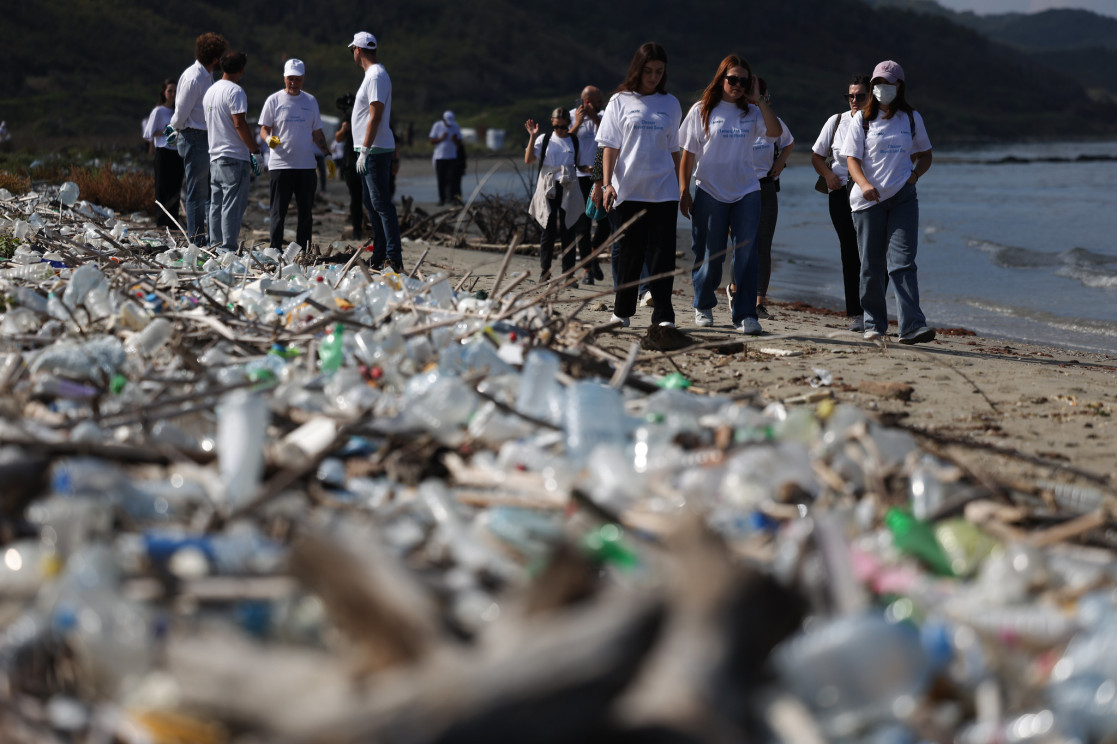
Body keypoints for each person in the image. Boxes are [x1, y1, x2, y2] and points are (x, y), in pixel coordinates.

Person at [679, 55, 782, 336]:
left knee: (746, 253)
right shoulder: (702, 110)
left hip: (747, 191)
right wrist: (683, 191)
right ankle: (703, 303)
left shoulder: (752, 112)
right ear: (721, 79)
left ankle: (746, 313)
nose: (737, 85)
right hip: (710, 190)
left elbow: (775, 132)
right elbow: (688, 154)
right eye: (732, 79)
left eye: (743, 81)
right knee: (710, 253)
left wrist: (759, 99)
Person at [841, 60, 935, 344]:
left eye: (889, 84)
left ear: (899, 87)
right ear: (873, 87)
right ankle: (874, 324)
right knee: (871, 265)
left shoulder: (910, 118)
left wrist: (915, 176)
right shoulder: (862, 120)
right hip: (869, 201)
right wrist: (865, 185)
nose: (883, 89)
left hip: (903, 198)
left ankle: (912, 327)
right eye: (878, 84)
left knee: (903, 262)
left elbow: (926, 154)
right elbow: (851, 160)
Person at [599, 42, 682, 328]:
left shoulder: (671, 103)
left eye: (659, 72)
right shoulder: (620, 101)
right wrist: (607, 184)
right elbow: (609, 146)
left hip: (664, 191)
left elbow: (675, 151)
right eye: (648, 71)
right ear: (638, 69)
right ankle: (621, 313)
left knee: (662, 257)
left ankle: (663, 315)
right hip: (628, 190)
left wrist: (683, 188)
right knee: (630, 255)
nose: (653, 77)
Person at [812, 74, 872, 333]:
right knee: (850, 250)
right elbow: (816, 156)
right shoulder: (836, 121)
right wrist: (828, 176)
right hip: (840, 193)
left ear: (872, 96)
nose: (855, 100)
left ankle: (874, 309)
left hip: (872, 193)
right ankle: (856, 313)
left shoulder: (880, 122)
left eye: (860, 95)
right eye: (851, 96)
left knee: (874, 252)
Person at [259, 58, 330, 251]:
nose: (293, 83)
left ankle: (302, 250)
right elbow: (264, 129)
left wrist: (327, 154)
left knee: (305, 213)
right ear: (284, 77)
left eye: (297, 79)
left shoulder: (310, 101)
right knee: (278, 212)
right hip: (280, 165)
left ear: (303, 79)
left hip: (306, 166)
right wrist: (268, 140)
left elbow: (317, 132)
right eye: (290, 78)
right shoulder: (274, 100)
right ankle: (275, 249)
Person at [349, 31, 404, 273]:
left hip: (375, 149)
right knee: (371, 202)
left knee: (381, 203)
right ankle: (380, 254)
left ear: (357, 50)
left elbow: (376, 115)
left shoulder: (376, 76)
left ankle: (393, 257)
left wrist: (365, 150)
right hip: (369, 149)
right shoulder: (372, 75)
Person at [169, 32, 228, 246]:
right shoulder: (194, 77)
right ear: (214, 59)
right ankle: (196, 240)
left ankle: (207, 237)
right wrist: (175, 127)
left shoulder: (206, 75)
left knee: (206, 191)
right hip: (194, 135)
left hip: (203, 136)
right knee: (197, 192)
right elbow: (181, 110)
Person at [202, 50, 261, 253]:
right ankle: (227, 247)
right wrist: (254, 150)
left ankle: (214, 244)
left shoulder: (210, 91)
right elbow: (239, 123)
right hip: (234, 155)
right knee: (232, 204)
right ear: (241, 70)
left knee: (216, 204)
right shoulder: (235, 91)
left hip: (215, 154)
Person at [748, 78, 793, 320]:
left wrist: (779, 162)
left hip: (765, 186)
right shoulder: (738, 116)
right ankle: (735, 291)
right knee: (743, 244)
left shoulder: (770, 119)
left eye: (759, 94)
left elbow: (788, 141)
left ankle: (758, 302)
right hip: (741, 188)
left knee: (763, 246)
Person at [525, 107, 582, 282]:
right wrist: (532, 136)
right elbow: (528, 160)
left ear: (569, 125)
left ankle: (569, 273)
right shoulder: (545, 139)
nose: (560, 130)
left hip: (568, 186)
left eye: (564, 127)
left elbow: (578, 164)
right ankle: (545, 271)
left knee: (568, 230)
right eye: (557, 126)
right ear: (552, 123)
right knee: (547, 231)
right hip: (548, 186)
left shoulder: (574, 140)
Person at [569, 86, 608, 286]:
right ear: (586, 102)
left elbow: (611, 137)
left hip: (600, 175)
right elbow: (564, 139)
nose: (601, 104)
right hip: (578, 177)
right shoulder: (570, 116)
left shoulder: (604, 117)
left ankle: (593, 255)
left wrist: (595, 118)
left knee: (605, 222)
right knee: (583, 224)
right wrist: (578, 122)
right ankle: (587, 269)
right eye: (598, 101)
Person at [142, 78, 185, 228]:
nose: (173, 94)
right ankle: (161, 222)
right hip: (163, 152)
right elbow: (148, 133)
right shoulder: (159, 111)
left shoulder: (179, 111)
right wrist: (166, 132)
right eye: (170, 91)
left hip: (177, 153)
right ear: (164, 93)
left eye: (175, 91)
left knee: (175, 189)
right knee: (162, 188)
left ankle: (173, 222)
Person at [429, 110, 461, 206]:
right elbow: (431, 140)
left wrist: (455, 140)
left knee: (452, 178)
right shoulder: (437, 126)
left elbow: (460, 143)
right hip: (440, 157)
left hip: (452, 157)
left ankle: (451, 198)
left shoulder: (456, 126)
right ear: (444, 119)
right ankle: (441, 199)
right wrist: (441, 138)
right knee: (441, 179)